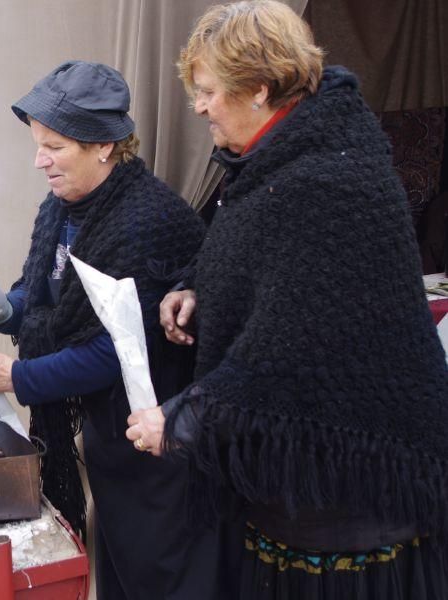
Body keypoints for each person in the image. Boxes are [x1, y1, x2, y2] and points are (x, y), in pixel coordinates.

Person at [125, 2, 448, 598]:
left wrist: (179, 421)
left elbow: (295, 343)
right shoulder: (278, 158)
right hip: (301, 489)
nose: (198, 107)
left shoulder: (329, 179)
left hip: (350, 492)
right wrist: (197, 284)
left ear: (259, 89)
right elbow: (266, 256)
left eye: (208, 91)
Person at [0, 61, 231, 599]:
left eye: (55, 146)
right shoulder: (61, 209)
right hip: (110, 440)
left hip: (164, 449)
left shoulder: (149, 222)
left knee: (164, 579)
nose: (40, 161)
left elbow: (113, 350)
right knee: (120, 576)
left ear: (104, 146)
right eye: (39, 144)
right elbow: (41, 300)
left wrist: (18, 375)